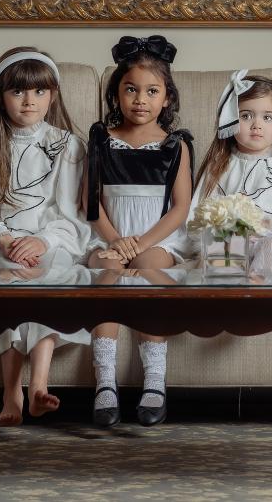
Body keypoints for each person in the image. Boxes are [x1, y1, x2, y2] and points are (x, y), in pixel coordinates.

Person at [0, 47, 91, 425]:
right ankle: (11, 393)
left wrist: (43, 241)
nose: (29, 101)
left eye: (39, 92)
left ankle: (39, 385)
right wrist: (5, 240)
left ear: (53, 96)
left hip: (50, 242)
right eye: (17, 92)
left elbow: (72, 215)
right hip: (3, 244)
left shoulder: (69, 147)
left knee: (48, 275)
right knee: (8, 282)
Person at [83, 35, 193, 428]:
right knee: (106, 270)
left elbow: (180, 208)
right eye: (131, 90)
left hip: (157, 238)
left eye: (151, 91)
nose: (140, 100)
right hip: (108, 233)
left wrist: (140, 243)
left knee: (148, 269)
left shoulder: (176, 146)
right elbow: (91, 204)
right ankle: (105, 382)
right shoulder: (101, 140)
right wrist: (115, 241)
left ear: (166, 98)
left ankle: (154, 381)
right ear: (117, 93)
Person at [191, 71, 272, 271]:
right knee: (219, 247)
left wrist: (269, 224)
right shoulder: (218, 166)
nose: (256, 125)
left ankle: (263, 291)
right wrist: (227, 227)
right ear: (230, 119)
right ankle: (224, 289)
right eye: (245, 116)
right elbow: (197, 215)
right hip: (230, 236)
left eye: (267, 117)